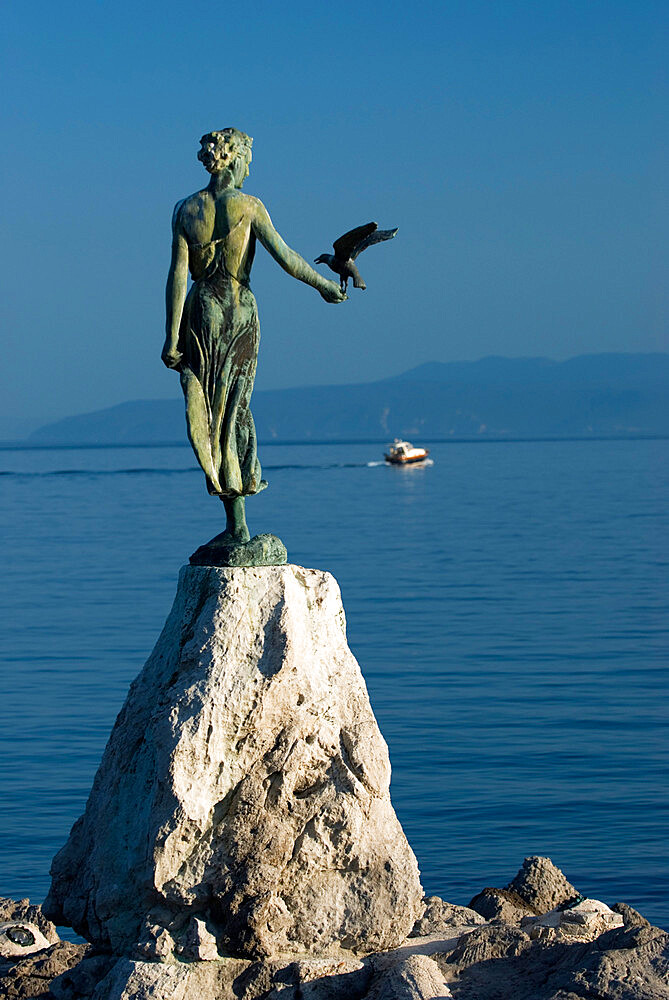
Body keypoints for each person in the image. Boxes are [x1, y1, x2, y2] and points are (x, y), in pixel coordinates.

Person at [162, 128, 346, 544]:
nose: (248, 168)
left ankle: (233, 521)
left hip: (200, 312)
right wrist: (324, 285)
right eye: (246, 159)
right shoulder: (249, 205)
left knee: (209, 411)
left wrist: (170, 337)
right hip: (238, 312)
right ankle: (239, 524)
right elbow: (288, 258)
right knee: (234, 411)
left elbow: (177, 275)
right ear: (233, 158)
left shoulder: (185, 209)